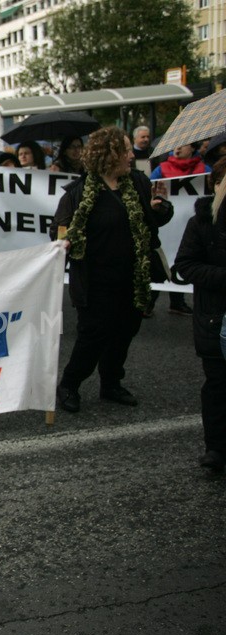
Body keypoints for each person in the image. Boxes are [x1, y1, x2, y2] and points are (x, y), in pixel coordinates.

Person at [51, 127, 173, 413]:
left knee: (124, 332)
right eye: (126, 150)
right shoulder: (78, 194)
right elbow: (58, 231)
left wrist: (160, 209)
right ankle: (70, 383)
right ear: (109, 155)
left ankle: (111, 382)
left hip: (132, 276)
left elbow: (155, 222)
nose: (132, 156)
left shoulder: (139, 183)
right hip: (96, 281)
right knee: (93, 336)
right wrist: (65, 240)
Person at [172, 157, 226, 473]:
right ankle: (216, 448)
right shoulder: (203, 222)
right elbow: (186, 264)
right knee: (218, 383)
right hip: (215, 317)